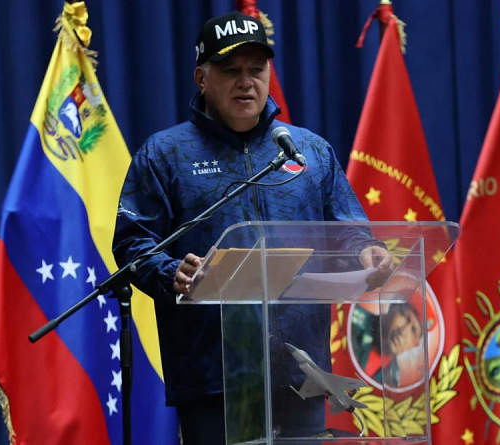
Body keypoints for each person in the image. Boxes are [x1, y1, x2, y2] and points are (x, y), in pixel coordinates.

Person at [112, 11, 390, 443]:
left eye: (256, 70)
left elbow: (349, 228)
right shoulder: (165, 155)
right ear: (202, 78)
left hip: (301, 373)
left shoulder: (308, 151)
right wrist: (170, 272)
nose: (246, 82)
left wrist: (365, 250)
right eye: (231, 71)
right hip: (213, 378)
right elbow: (133, 243)